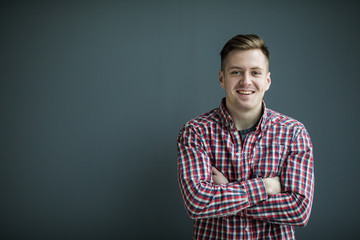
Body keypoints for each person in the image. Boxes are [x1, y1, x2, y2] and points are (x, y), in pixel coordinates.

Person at [177, 34, 314, 239]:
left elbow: (299, 210)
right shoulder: (195, 132)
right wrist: (266, 186)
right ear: (222, 78)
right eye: (236, 72)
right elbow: (197, 204)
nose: (246, 81)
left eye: (255, 72)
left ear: (267, 81)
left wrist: (226, 191)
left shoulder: (293, 133)